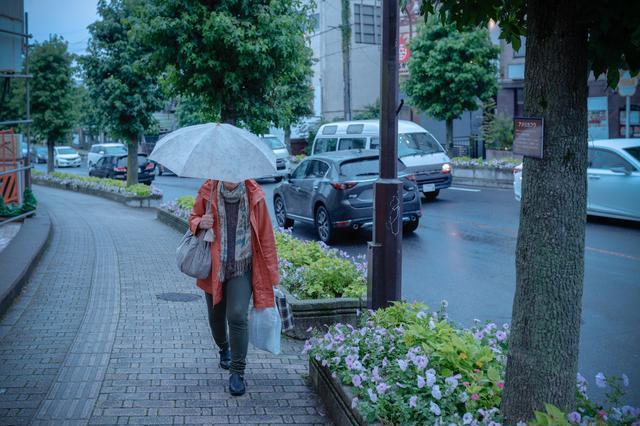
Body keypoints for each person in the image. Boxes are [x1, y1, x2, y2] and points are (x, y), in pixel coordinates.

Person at [188, 179, 279, 396]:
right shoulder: (208, 190)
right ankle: (224, 348)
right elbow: (192, 218)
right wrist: (201, 222)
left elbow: (266, 235)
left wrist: (272, 272)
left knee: (237, 315)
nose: (230, 178)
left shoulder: (254, 194)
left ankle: (237, 372)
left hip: (243, 264)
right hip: (214, 266)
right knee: (216, 318)